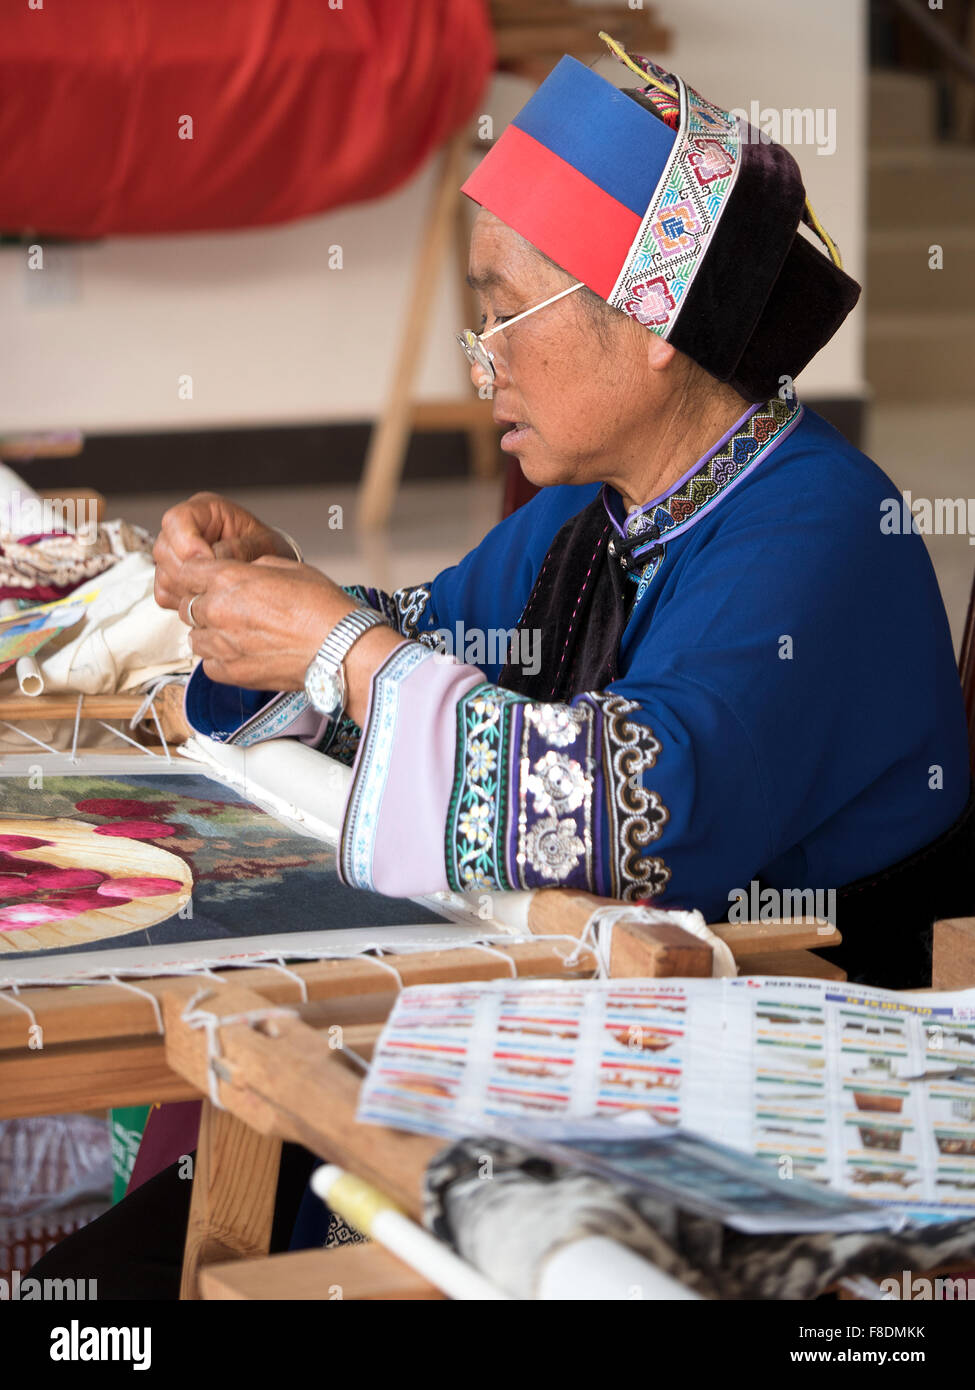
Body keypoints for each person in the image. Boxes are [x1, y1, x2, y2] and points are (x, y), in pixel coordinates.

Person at [32, 38, 973, 1299]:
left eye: (499, 308)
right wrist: (270, 603)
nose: (477, 361)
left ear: (647, 318)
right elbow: (412, 649)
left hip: (779, 1119)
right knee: (101, 1287)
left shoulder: (819, 532)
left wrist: (340, 649)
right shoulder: (599, 516)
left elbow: (631, 813)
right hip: (607, 1057)